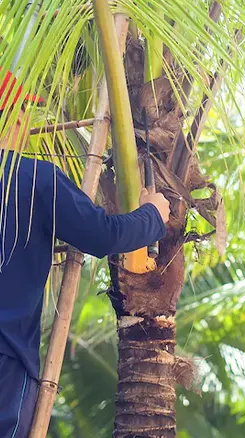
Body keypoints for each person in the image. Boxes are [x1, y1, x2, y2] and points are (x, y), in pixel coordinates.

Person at [0, 70, 170, 438]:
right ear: (12, 118)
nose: (26, 127)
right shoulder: (33, 179)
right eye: (23, 117)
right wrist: (153, 215)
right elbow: (102, 234)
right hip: (5, 366)